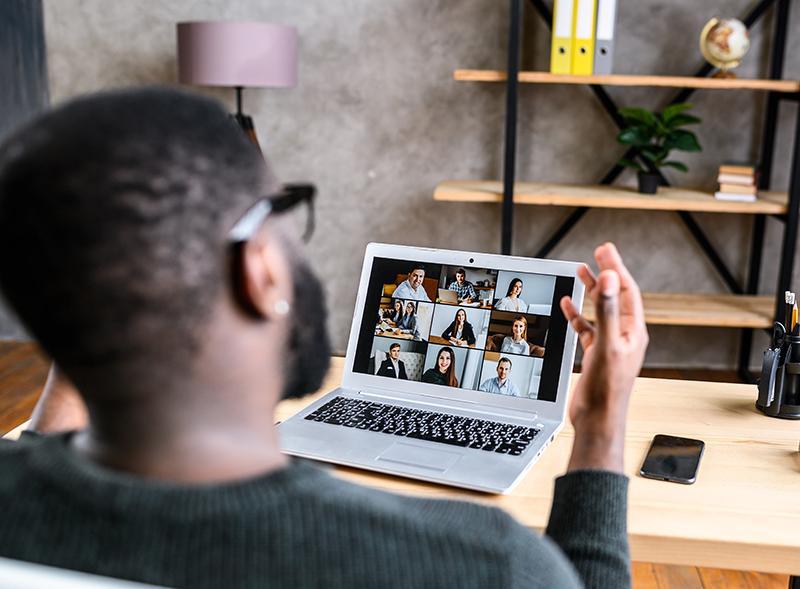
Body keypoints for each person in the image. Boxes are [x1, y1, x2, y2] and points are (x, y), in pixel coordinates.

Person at [0, 88, 648, 589]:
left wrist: (82, 311)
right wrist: (598, 420)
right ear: (257, 271)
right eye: (280, 213)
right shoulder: (481, 564)